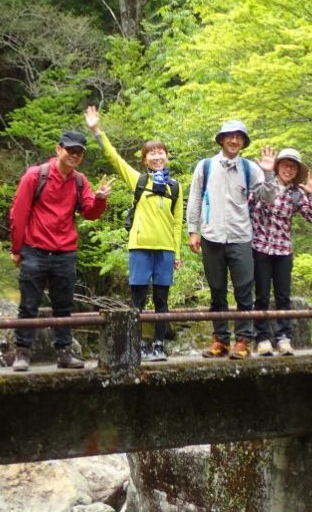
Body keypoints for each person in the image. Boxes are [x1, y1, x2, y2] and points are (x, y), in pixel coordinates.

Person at [84, 106, 184, 362]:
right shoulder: (138, 180)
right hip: (139, 246)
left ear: (167, 156)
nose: (157, 156)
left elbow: (177, 223)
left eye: (160, 152)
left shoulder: (175, 186)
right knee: (137, 299)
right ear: (144, 159)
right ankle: (136, 344)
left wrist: (177, 252)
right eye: (152, 153)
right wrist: (97, 131)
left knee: (162, 300)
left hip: (165, 249)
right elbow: (114, 158)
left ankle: (159, 345)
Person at [10, 130, 115, 372]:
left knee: (64, 305)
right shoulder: (35, 176)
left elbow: (89, 213)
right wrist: (17, 249)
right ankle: (23, 353)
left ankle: (64, 352)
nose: (74, 155)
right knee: (28, 304)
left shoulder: (79, 181)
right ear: (59, 149)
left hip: (64, 251)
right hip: (35, 249)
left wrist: (99, 199)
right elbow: (19, 213)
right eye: (70, 150)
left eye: (79, 152)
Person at [186, 120, 276, 359]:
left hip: (241, 236)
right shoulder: (205, 166)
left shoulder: (250, 168)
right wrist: (193, 231)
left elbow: (268, 198)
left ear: (244, 142)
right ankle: (220, 340)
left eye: (239, 137)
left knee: (244, 291)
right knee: (216, 291)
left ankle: (243, 341)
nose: (234, 140)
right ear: (221, 139)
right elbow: (194, 198)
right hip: (211, 235)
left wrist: (268, 172)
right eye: (230, 136)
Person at [250, 148, 312, 356]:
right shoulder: (262, 186)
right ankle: (262, 338)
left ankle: (283, 338)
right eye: (285, 165)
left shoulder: (296, 194)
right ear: (277, 166)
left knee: (283, 297)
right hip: (260, 247)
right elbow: (252, 206)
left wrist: (311, 193)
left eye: (293, 167)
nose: (288, 170)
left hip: (283, 250)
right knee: (261, 296)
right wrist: (267, 174)